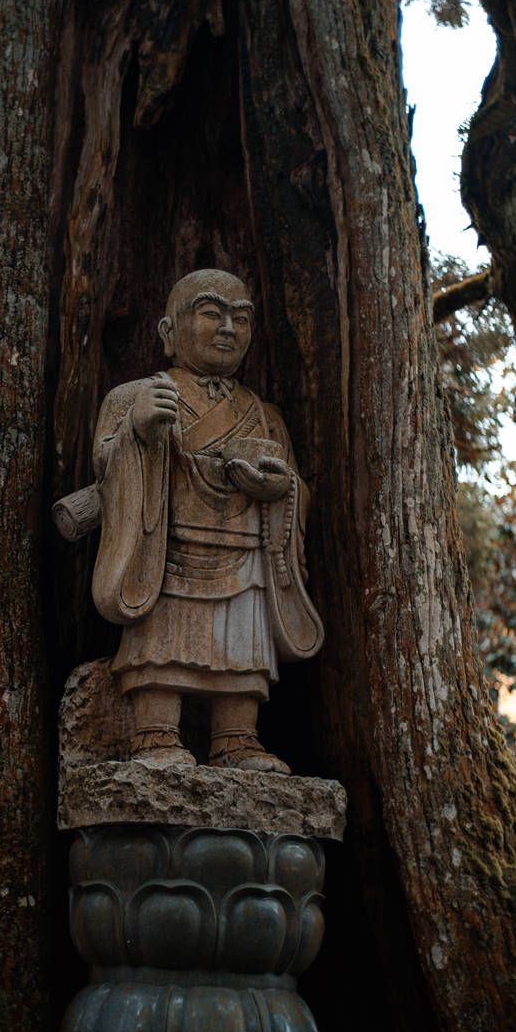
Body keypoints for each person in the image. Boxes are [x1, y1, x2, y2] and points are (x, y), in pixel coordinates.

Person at [92, 269, 323, 772]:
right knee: (162, 644)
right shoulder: (134, 398)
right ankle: (154, 734)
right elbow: (104, 472)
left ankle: (236, 739)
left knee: (242, 646)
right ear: (169, 332)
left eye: (241, 319)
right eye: (212, 313)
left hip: (243, 554)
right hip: (165, 552)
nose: (227, 329)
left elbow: (293, 484)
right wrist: (135, 429)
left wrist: (281, 489)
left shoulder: (263, 416)